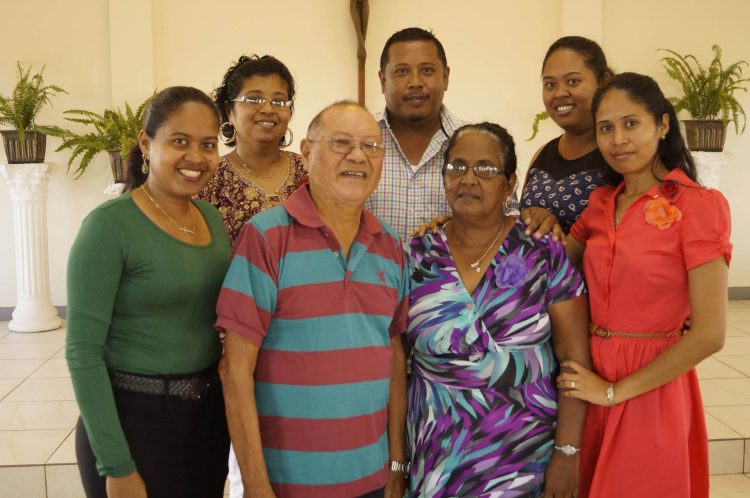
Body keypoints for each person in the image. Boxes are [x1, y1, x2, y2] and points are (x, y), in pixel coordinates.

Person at [216, 101, 409, 498]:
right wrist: (255, 484)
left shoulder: (390, 247)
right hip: (286, 485)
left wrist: (395, 463)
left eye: (371, 146)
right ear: (306, 151)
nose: (358, 155)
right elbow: (234, 370)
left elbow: (393, 357)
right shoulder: (266, 239)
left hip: (372, 480)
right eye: (341, 143)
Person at [559, 73, 732, 498]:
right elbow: (553, 271)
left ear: (663, 125)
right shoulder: (600, 205)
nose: (618, 139)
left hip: (650, 387)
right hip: (588, 378)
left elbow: (710, 334)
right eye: (606, 128)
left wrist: (615, 392)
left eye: (631, 123)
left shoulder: (697, 207)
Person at [407, 122, 591, 497]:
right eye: (456, 167)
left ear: (509, 184)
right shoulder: (417, 254)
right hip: (436, 456)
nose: (468, 178)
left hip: (523, 456)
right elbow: (396, 360)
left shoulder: (543, 251)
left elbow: (575, 359)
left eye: (486, 169)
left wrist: (568, 452)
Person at [66, 87, 231, 498]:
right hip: (134, 421)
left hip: (204, 420)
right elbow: (82, 351)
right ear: (146, 142)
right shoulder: (109, 226)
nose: (196, 157)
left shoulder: (209, 216)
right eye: (180, 141)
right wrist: (116, 464)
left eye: (208, 145)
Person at [365, 27, 464, 241]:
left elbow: (505, 220)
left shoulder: (476, 144)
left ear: (446, 77)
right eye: (402, 71)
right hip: (366, 275)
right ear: (383, 81)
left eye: (427, 70)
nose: (415, 82)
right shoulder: (355, 142)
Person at [199, 54, 307, 244]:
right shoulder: (210, 179)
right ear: (229, 111)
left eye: (279, 101)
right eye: (254, 99)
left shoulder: (309, 170)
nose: (268, 109)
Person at [520, 36, 615, 234]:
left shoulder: (619, 153)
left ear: (604, 81)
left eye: (573, 81)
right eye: (550, 84)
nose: (560, 93)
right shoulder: (542, 154)